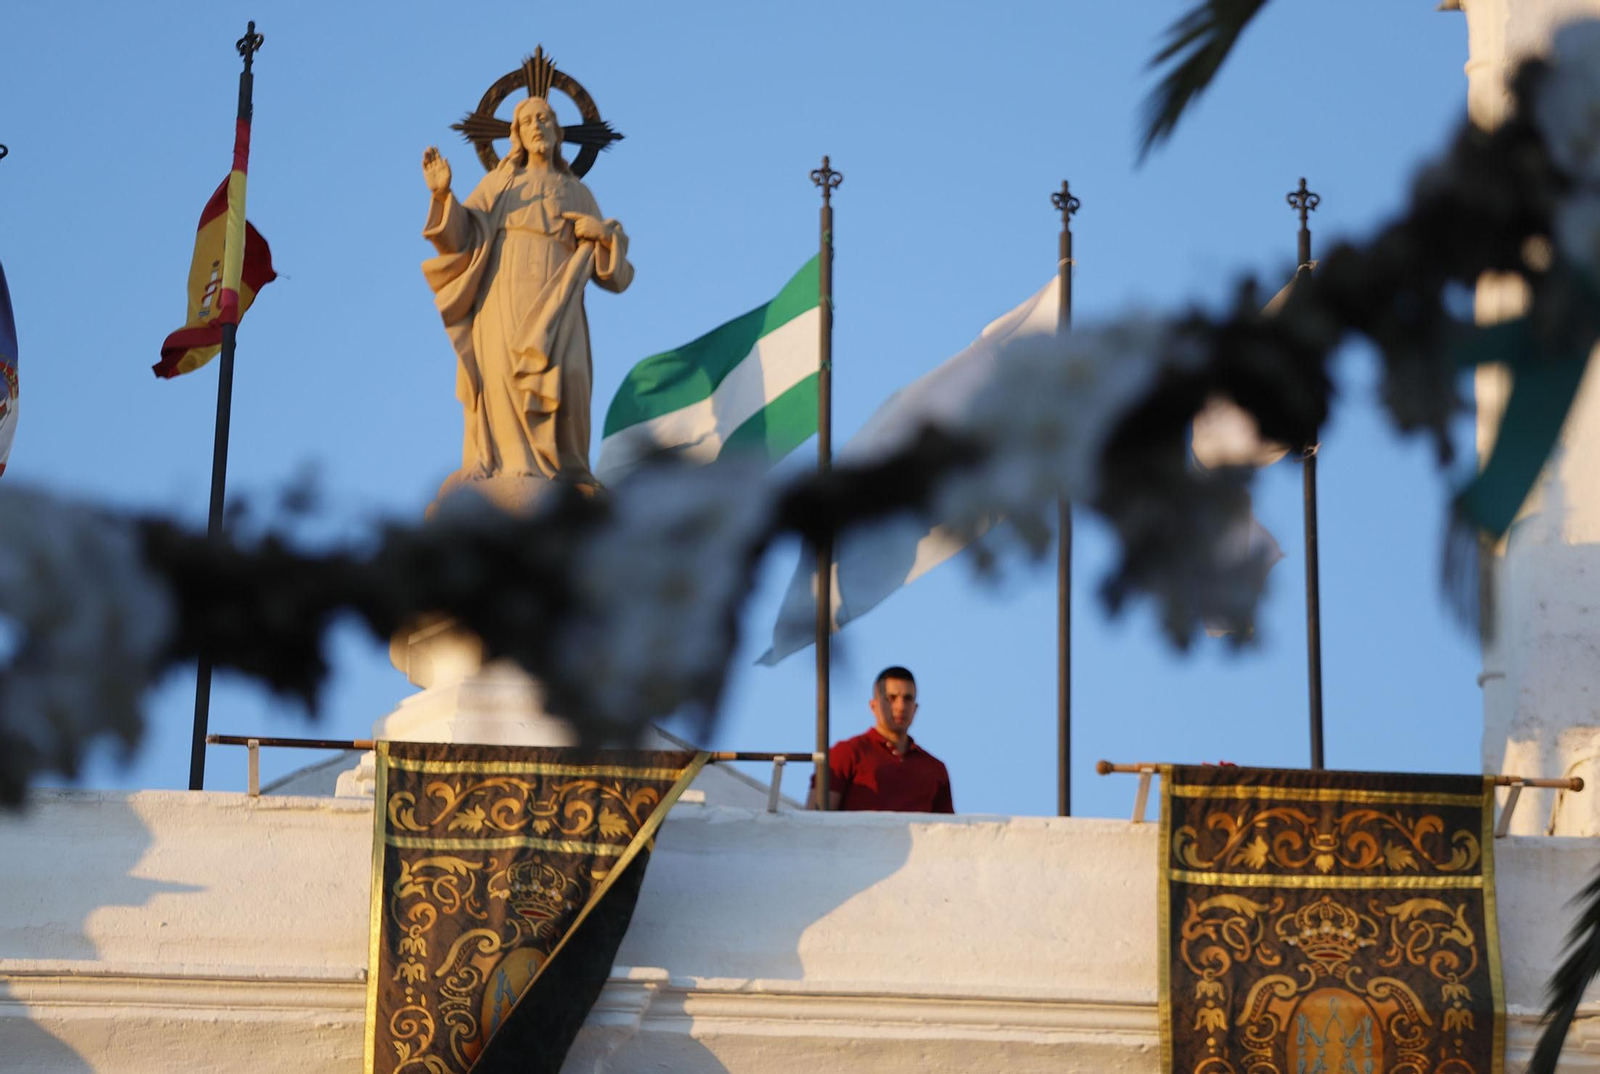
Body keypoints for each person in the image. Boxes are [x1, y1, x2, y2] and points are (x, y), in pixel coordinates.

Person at [420, 94, 633, 494]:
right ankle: (511, 464)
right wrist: (443, 196)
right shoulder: (500, 183)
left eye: (545, 119)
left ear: (558, 133)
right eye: (528, 121)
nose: (537, 126)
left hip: (561, 292)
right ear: (516, 134)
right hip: (503, 286)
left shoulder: (576, 190)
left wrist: (603, 235)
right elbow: (461, 237)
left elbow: (617, 277)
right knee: (503, 375)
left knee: (568, 375)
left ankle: (567, 470)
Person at [806, 666, 954, 813]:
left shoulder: (935, 769)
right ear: (873, 706)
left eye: (908, 698)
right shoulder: (846, 754)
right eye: (891, 698)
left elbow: (950, 832)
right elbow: (815, 822)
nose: (900, 706)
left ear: (915, 708)